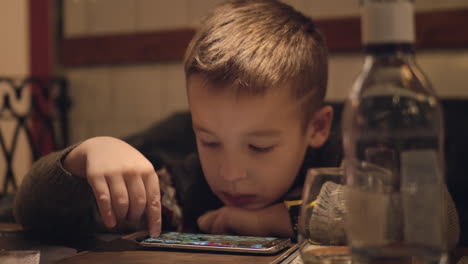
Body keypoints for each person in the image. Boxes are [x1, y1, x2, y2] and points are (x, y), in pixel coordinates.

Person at [13, 0, 459, 247]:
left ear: (318, 128)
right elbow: (33, 212)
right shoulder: (183, 192)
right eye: (209, 140)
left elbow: (435, 215)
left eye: (260, 147)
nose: (230, 172)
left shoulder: (344, 162)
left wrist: (275, 220)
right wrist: (81, 158)